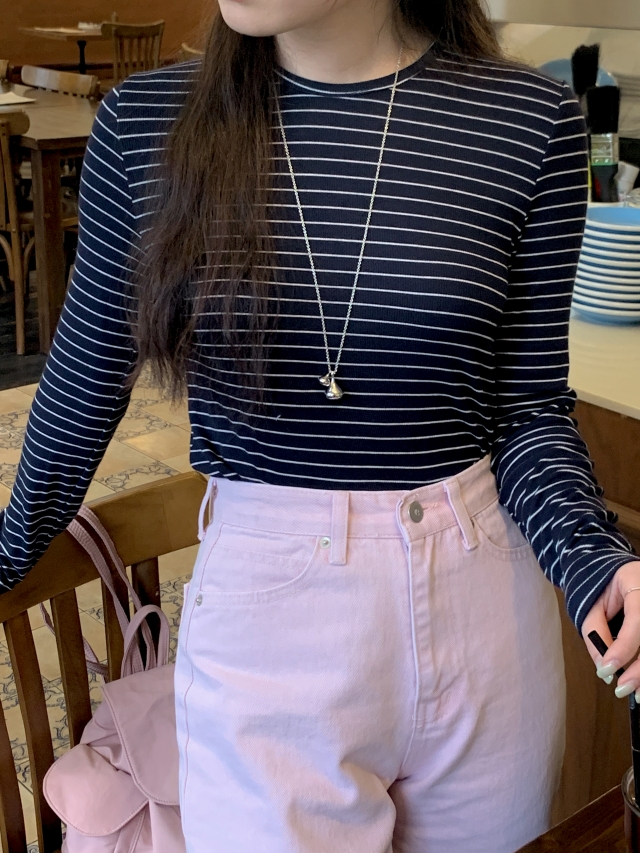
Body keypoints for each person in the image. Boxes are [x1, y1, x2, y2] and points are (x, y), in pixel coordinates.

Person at [1, 0, 640, 850]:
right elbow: (81, 393)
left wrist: (597, 561)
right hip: (268, 628)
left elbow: (526, 413)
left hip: (488, 618)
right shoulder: (147, 126)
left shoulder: (529, 121)